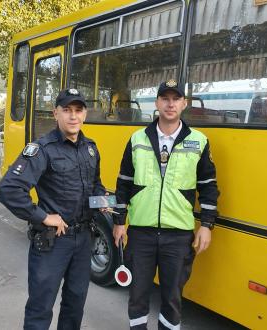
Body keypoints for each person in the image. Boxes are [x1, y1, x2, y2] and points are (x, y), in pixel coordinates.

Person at [112, 80, 219, 330]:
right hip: (141, 233)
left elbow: (208, 186)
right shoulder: (137, 139)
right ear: (157, 103)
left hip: (178, 236)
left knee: (172, 299)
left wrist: (207, 225)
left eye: (176, 99)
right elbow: (124, 183)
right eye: (165, 98)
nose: (170, 104)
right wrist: (119, 222)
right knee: (138, 296)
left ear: (184, 103)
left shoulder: (199, 141)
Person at [0, 88, 106, 330]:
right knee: (41, 307)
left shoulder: (90, 148)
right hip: (53, 242)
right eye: (66, 110)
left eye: (78, 110)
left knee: (75, 303)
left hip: (84, 237)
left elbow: (95, 183)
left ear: (85, 114)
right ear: (56, 113)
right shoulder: (42, 149)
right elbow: (8, 190)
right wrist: (43, 216)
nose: (73, 116)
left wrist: (102, 200)